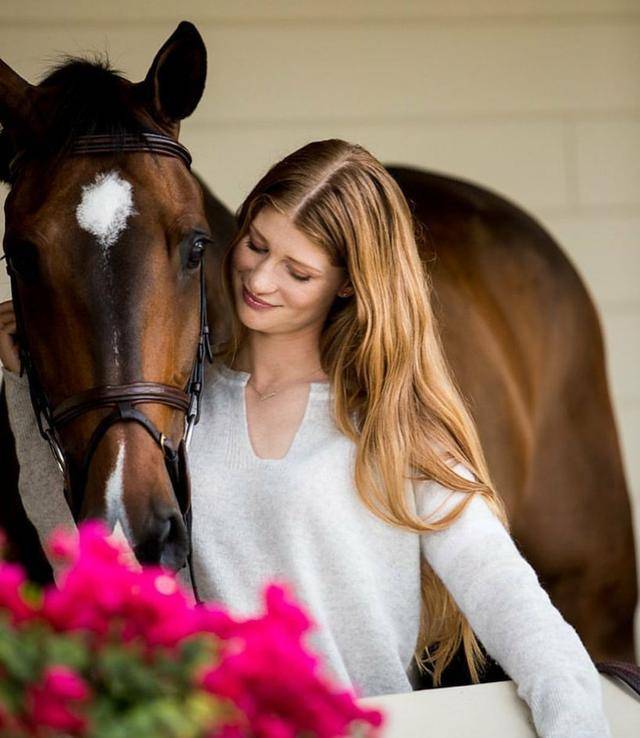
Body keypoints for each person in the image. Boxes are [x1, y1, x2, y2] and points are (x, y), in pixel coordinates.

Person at [0, 139, 611, 737]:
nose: (261, 279)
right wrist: (23, 381)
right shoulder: (181, 415)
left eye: (298, 271)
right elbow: (85, 561)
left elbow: (505, 594)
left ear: (345, 285)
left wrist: (577, 721)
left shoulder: (391, 425)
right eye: (256, 244)